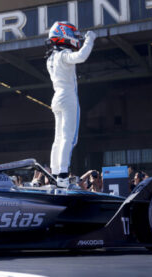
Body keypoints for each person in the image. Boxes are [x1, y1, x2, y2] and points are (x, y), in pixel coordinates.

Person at [46, 21, 97, 187]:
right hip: (68, 97)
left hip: (56, 97)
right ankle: (62, 176)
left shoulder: (50, 58)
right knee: (69, 138)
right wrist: (90, 40)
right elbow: (81, 56)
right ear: (64, 35)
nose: (76, 38)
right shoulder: (63, 55)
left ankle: (55, 175)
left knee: (58, 138)